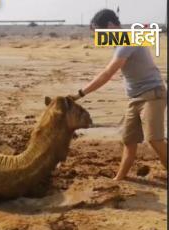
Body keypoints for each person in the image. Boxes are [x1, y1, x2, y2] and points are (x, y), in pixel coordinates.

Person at [69, 9, 167, 181]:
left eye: (99, 33)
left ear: (110, 26)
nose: (100, 39)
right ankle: (119, 179)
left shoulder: (127, 40)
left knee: (155, 140)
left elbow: (107, 73)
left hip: (152, 95)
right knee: (129, 141)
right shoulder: (121, 42)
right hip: (135, 99)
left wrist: (80, 94)